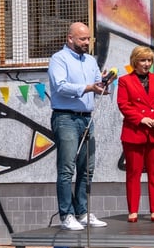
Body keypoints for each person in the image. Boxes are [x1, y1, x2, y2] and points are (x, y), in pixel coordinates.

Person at [47, 22, 110, 231]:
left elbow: (95, 84)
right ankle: (66, 214)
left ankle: (82, 212)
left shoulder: (91, 60)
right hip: (66, 118)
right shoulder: (59, 59)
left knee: (87, 168)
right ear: (70, 38)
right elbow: (60, 86)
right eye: (82, 39)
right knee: (66, 168)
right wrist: (88, 87)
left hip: (86, 118)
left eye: (88, 39)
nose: (86, 42)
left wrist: (102, 85)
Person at [117, 46, 154, 222]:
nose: (147, 64)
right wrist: (141, 119)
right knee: (133, 172)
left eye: (149, 60)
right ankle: (133, 210)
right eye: (143, 60)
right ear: (135, 61)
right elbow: (124, 105)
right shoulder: (125, 80)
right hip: (135, 132)